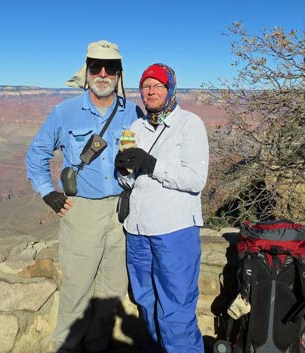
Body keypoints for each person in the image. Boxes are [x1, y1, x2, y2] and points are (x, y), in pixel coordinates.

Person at [25, 40, 142, 353]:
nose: (103, 74)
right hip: (82, 211)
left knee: (113, 290)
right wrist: (48, 191)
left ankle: (98, 347)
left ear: (119, 73)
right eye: (96, 67)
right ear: (87, 71)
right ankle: (66, 347)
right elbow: (36, 154)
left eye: (111, 68)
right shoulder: (65, 112)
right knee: (77, 289)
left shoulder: (132, 111)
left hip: (120, 211)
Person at [115, 63, 209, 353]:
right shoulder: (136, 127)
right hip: (138, 231)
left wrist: (153, 165)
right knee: (145, 302)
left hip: (174, 230)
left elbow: (196, 179)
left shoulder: (189, 124)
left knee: (175, 312)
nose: (151, 91)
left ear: (170, 89)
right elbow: (128, 181)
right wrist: (122, 171)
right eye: (146, 86)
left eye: (158, 85)